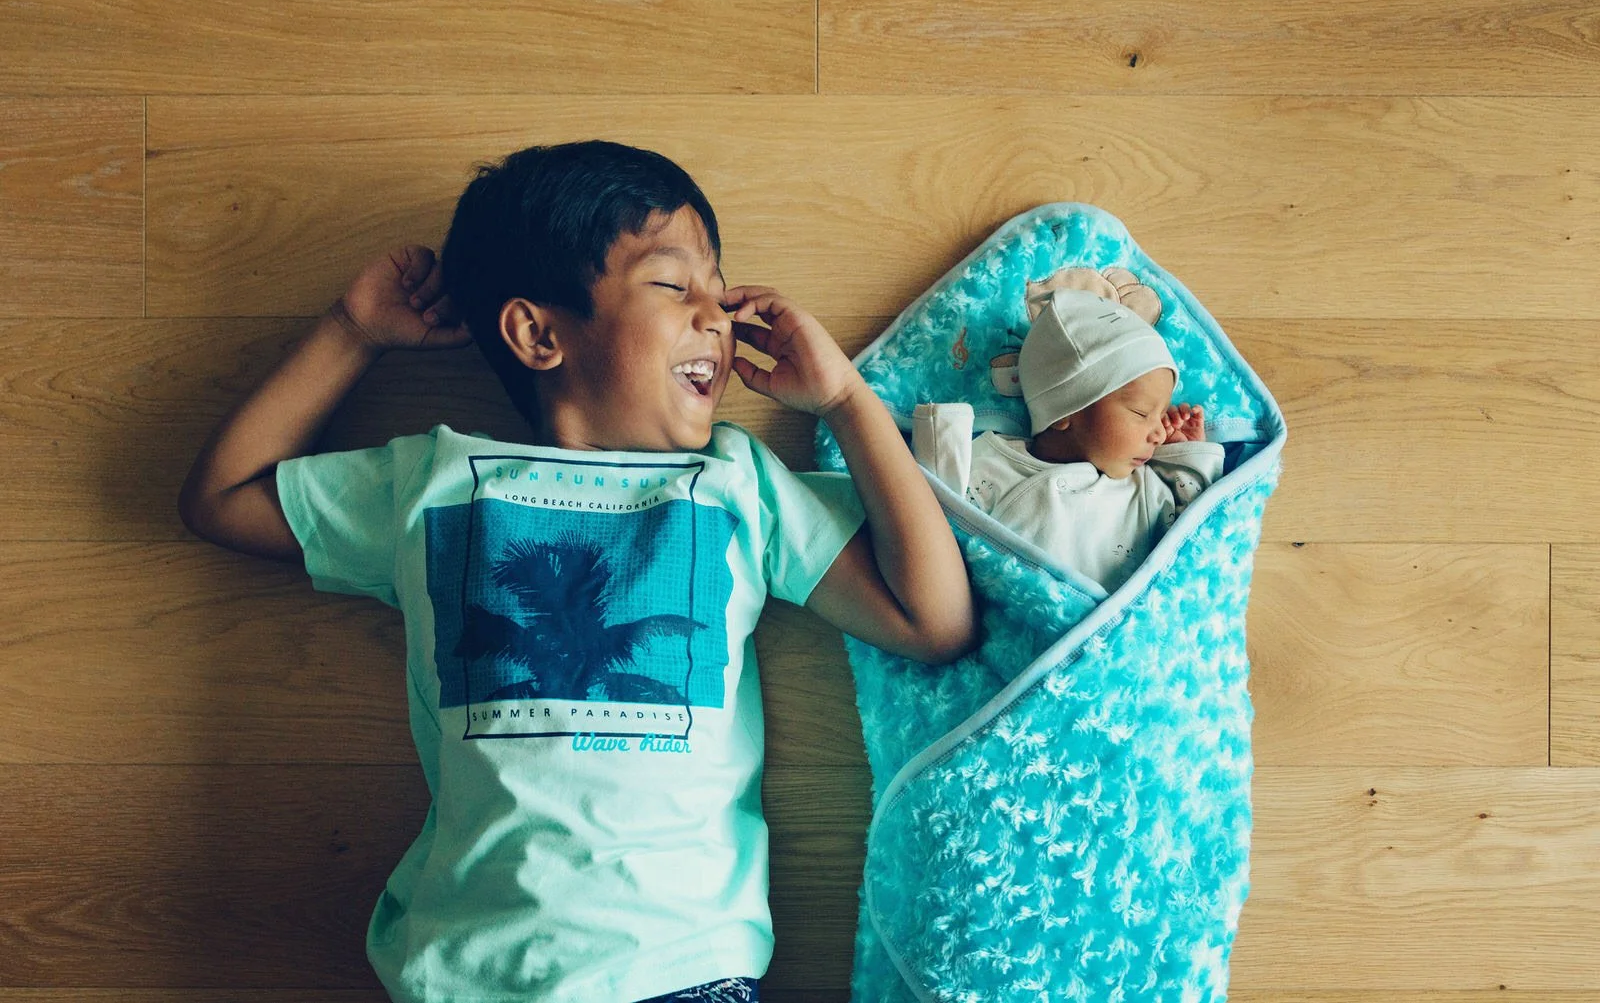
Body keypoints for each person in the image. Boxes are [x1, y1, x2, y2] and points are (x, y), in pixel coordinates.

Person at [177, 140, 976, 1003]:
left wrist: (845, 399)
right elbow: (223, 497)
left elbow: (934, 622)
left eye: (719, 289)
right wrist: (352, 333)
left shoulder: (740, 487)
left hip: (683, 966)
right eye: (675, 285)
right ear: (538, 332)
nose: (718, 315)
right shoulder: (435, 481)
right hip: (468, 971)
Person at [912, 287, 1224, 593]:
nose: (1158, 434)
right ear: (1065, 411)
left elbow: (1198, 545)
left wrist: (1186, 455)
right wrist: (940, 441)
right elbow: (929, 535)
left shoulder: (1146, 491)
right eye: (1142, 413)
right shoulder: (988, 464)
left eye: (1160, 416)